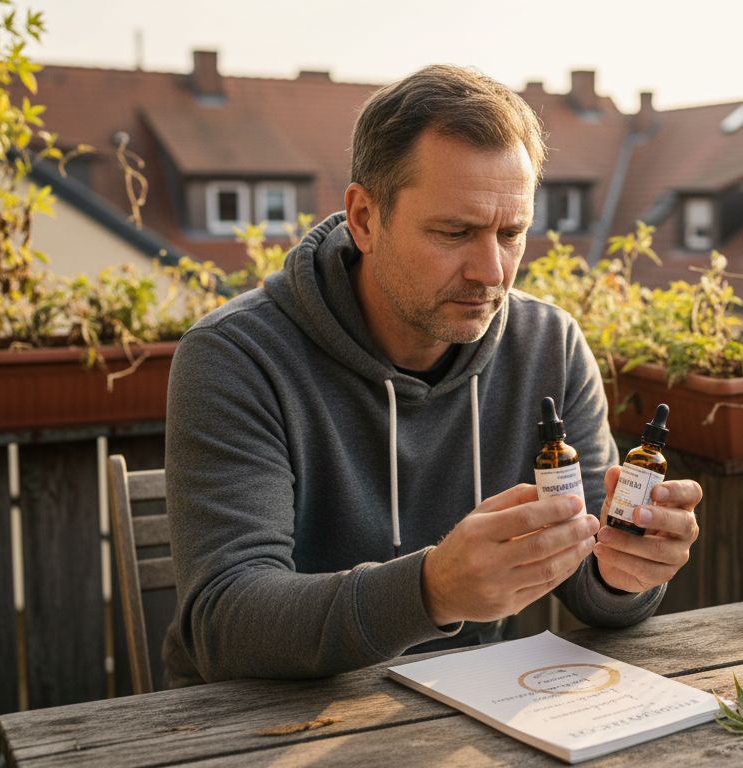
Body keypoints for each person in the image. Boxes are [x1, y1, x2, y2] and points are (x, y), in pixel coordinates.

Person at [161, 64, 702, 686]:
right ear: (364, 218)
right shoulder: (236, 357)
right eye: (455, 232)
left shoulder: (547, 345)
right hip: (256, 727)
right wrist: (431, 591)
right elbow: (227, 621)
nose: (491, 271)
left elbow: (590, 585)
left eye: (511, 232)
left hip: (477, 709)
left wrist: (624, 571)